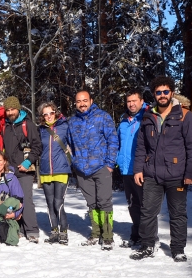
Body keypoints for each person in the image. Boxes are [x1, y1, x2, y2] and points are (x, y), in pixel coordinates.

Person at [130, 76, 192, 262]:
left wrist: (190, 173)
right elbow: (141, 147)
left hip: (176, 174)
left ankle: (178, 248)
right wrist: (138, 169)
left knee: (177, 213)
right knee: (148, 212)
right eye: (158, 92)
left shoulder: (184, 115)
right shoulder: (148, 117)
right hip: (152, 174)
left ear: (171, 92)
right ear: (154, 94)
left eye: (165, 91)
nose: (162, 95)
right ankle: (147, 245)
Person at [68, 89, 119, 250]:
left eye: (84, 100)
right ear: (75, 103)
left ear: (91, 100)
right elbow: (69, 144)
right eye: (78, 101)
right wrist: (75, 163)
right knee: (91, 203)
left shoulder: (102, 117)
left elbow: (113, 140)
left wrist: (110, 164)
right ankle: (96, 233)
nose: (82, 104)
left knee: (104, 202)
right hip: (82, 170)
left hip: (101, 167)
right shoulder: (72, 121)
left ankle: (108, 235)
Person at [2, 96, 42, 243]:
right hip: (10, 170)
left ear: (18, 109)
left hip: (25, 170)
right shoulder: (5, 126)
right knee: (12, 200)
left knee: (26, 198)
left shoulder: (28, 125)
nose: (10, 112)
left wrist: (27, 162)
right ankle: (16, 228)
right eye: (8, 110)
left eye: (13, 109)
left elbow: (37, 146)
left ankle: (31, 230)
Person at [116, 88, 151, 248]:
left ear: (141, 101)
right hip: (126, 170)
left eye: (134, 101)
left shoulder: (148, 118)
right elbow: (117, 143)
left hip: (141, 171)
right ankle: (136, 234)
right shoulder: (124, 121)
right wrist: (117, 160)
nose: (131, 104)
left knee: (145, 206)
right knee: (132, 205)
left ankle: (147, 238)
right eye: (129, 101)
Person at [38, 102, 72, 245]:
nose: (48, 116)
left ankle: (63, 231)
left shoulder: (65, 126)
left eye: (51, 113)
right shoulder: (40, 130)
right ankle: (54, 231)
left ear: (56, 112)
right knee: (50, 203)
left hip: (61, 169)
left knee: (58, 202)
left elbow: (74, 144)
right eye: (45, 114)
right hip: (46, 171)